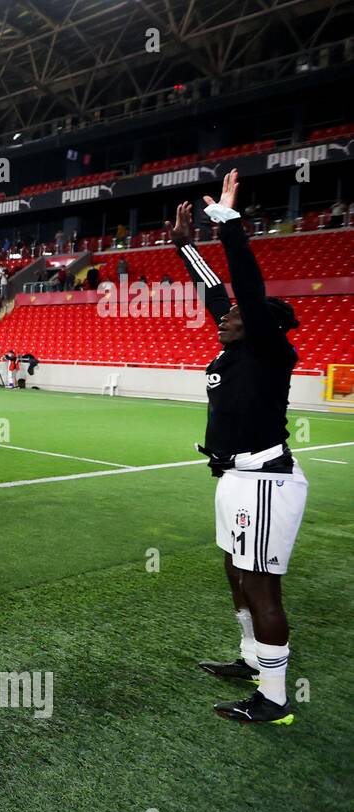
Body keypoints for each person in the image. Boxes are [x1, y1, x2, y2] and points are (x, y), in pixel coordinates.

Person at [168, 173, 307, 725]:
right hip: (235, 478)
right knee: (235, 570)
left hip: (266, 480)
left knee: (261, 586)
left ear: (259, 327)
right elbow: (216, 291)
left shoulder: (272, 353)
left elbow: (244, 286)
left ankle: (274, 699)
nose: (223, 316)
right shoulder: (236, 348)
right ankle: (251, 660)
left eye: (234, 314)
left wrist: (228, 225)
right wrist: (184, 246)